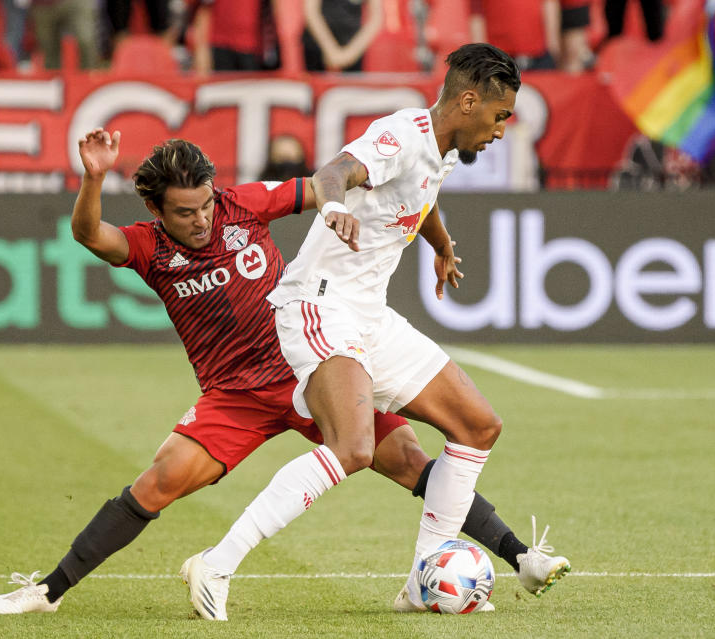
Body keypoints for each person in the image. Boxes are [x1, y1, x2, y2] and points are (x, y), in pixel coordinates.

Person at [0, 128, 569, 617]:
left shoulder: (245, 203)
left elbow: (326, 184)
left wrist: (358, 204)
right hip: (233, 395)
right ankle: (48, 591)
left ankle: (519, 556)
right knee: (159, 481)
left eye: (207, 204)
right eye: (185, 213)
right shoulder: (146, 248)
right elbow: (88, 234)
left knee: (412, 462)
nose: (203, 220)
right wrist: (92, 178)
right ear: (156, 211)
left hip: (309, 366)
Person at [180, 42, 567, 619]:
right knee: (354, 447)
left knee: (478, 425)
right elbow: (334, 171)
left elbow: (422, 195)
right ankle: (216, 562)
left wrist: (440, 245)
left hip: (370, 317)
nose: (501, 130)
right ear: (467, 101)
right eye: (499, 116)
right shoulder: (403, 135)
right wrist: (332, 206)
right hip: (320, 307)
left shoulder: (440, 152)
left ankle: (422, 581)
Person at [302, 0, 382, 72]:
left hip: (353, 45)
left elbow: (376, 18)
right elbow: (311, 11)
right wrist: (330, 50)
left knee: (352, 86)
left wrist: (350, 54)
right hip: (317, 44)